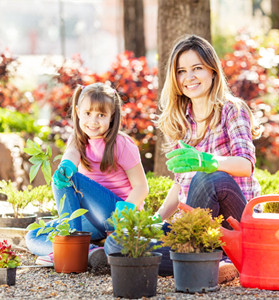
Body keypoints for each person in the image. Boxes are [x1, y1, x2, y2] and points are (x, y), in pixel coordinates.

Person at [104, 35, 261, 282]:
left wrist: (208, 161)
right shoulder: (181, 121)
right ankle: (210, 259)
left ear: (212, 71)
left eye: (197, 68)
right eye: (181, 71)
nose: (189, 77)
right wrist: (155, 221)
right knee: (117, 242)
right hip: (194, 225)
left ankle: (218, 256)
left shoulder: (232, 109)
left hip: (234, 221)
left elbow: (246, 165)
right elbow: (180, 185)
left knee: (210, 178)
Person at [26, 82, 149, 268]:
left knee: (70, 178)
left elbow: (142, 187)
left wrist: (127, 208)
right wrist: (65, 166)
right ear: (77, 111)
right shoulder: (78, 138)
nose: (93, 121)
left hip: (118, 214)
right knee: (34, 234)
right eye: (87, 114)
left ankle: (71, 245)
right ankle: (89, 251)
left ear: (112, 116)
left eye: (101, 115)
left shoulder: (121, 144)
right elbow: (71, 155)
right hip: (91, 218)